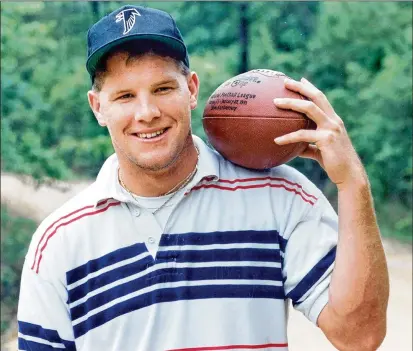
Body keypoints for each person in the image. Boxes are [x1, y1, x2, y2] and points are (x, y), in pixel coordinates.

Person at [17, 4, 389, 351]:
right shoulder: (58, 243)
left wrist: (352, 181)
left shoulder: (281, 195)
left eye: (163, 89)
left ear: (192, 89)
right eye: (125, 96)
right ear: (98, 107)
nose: (147, 113)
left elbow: (360, 335)